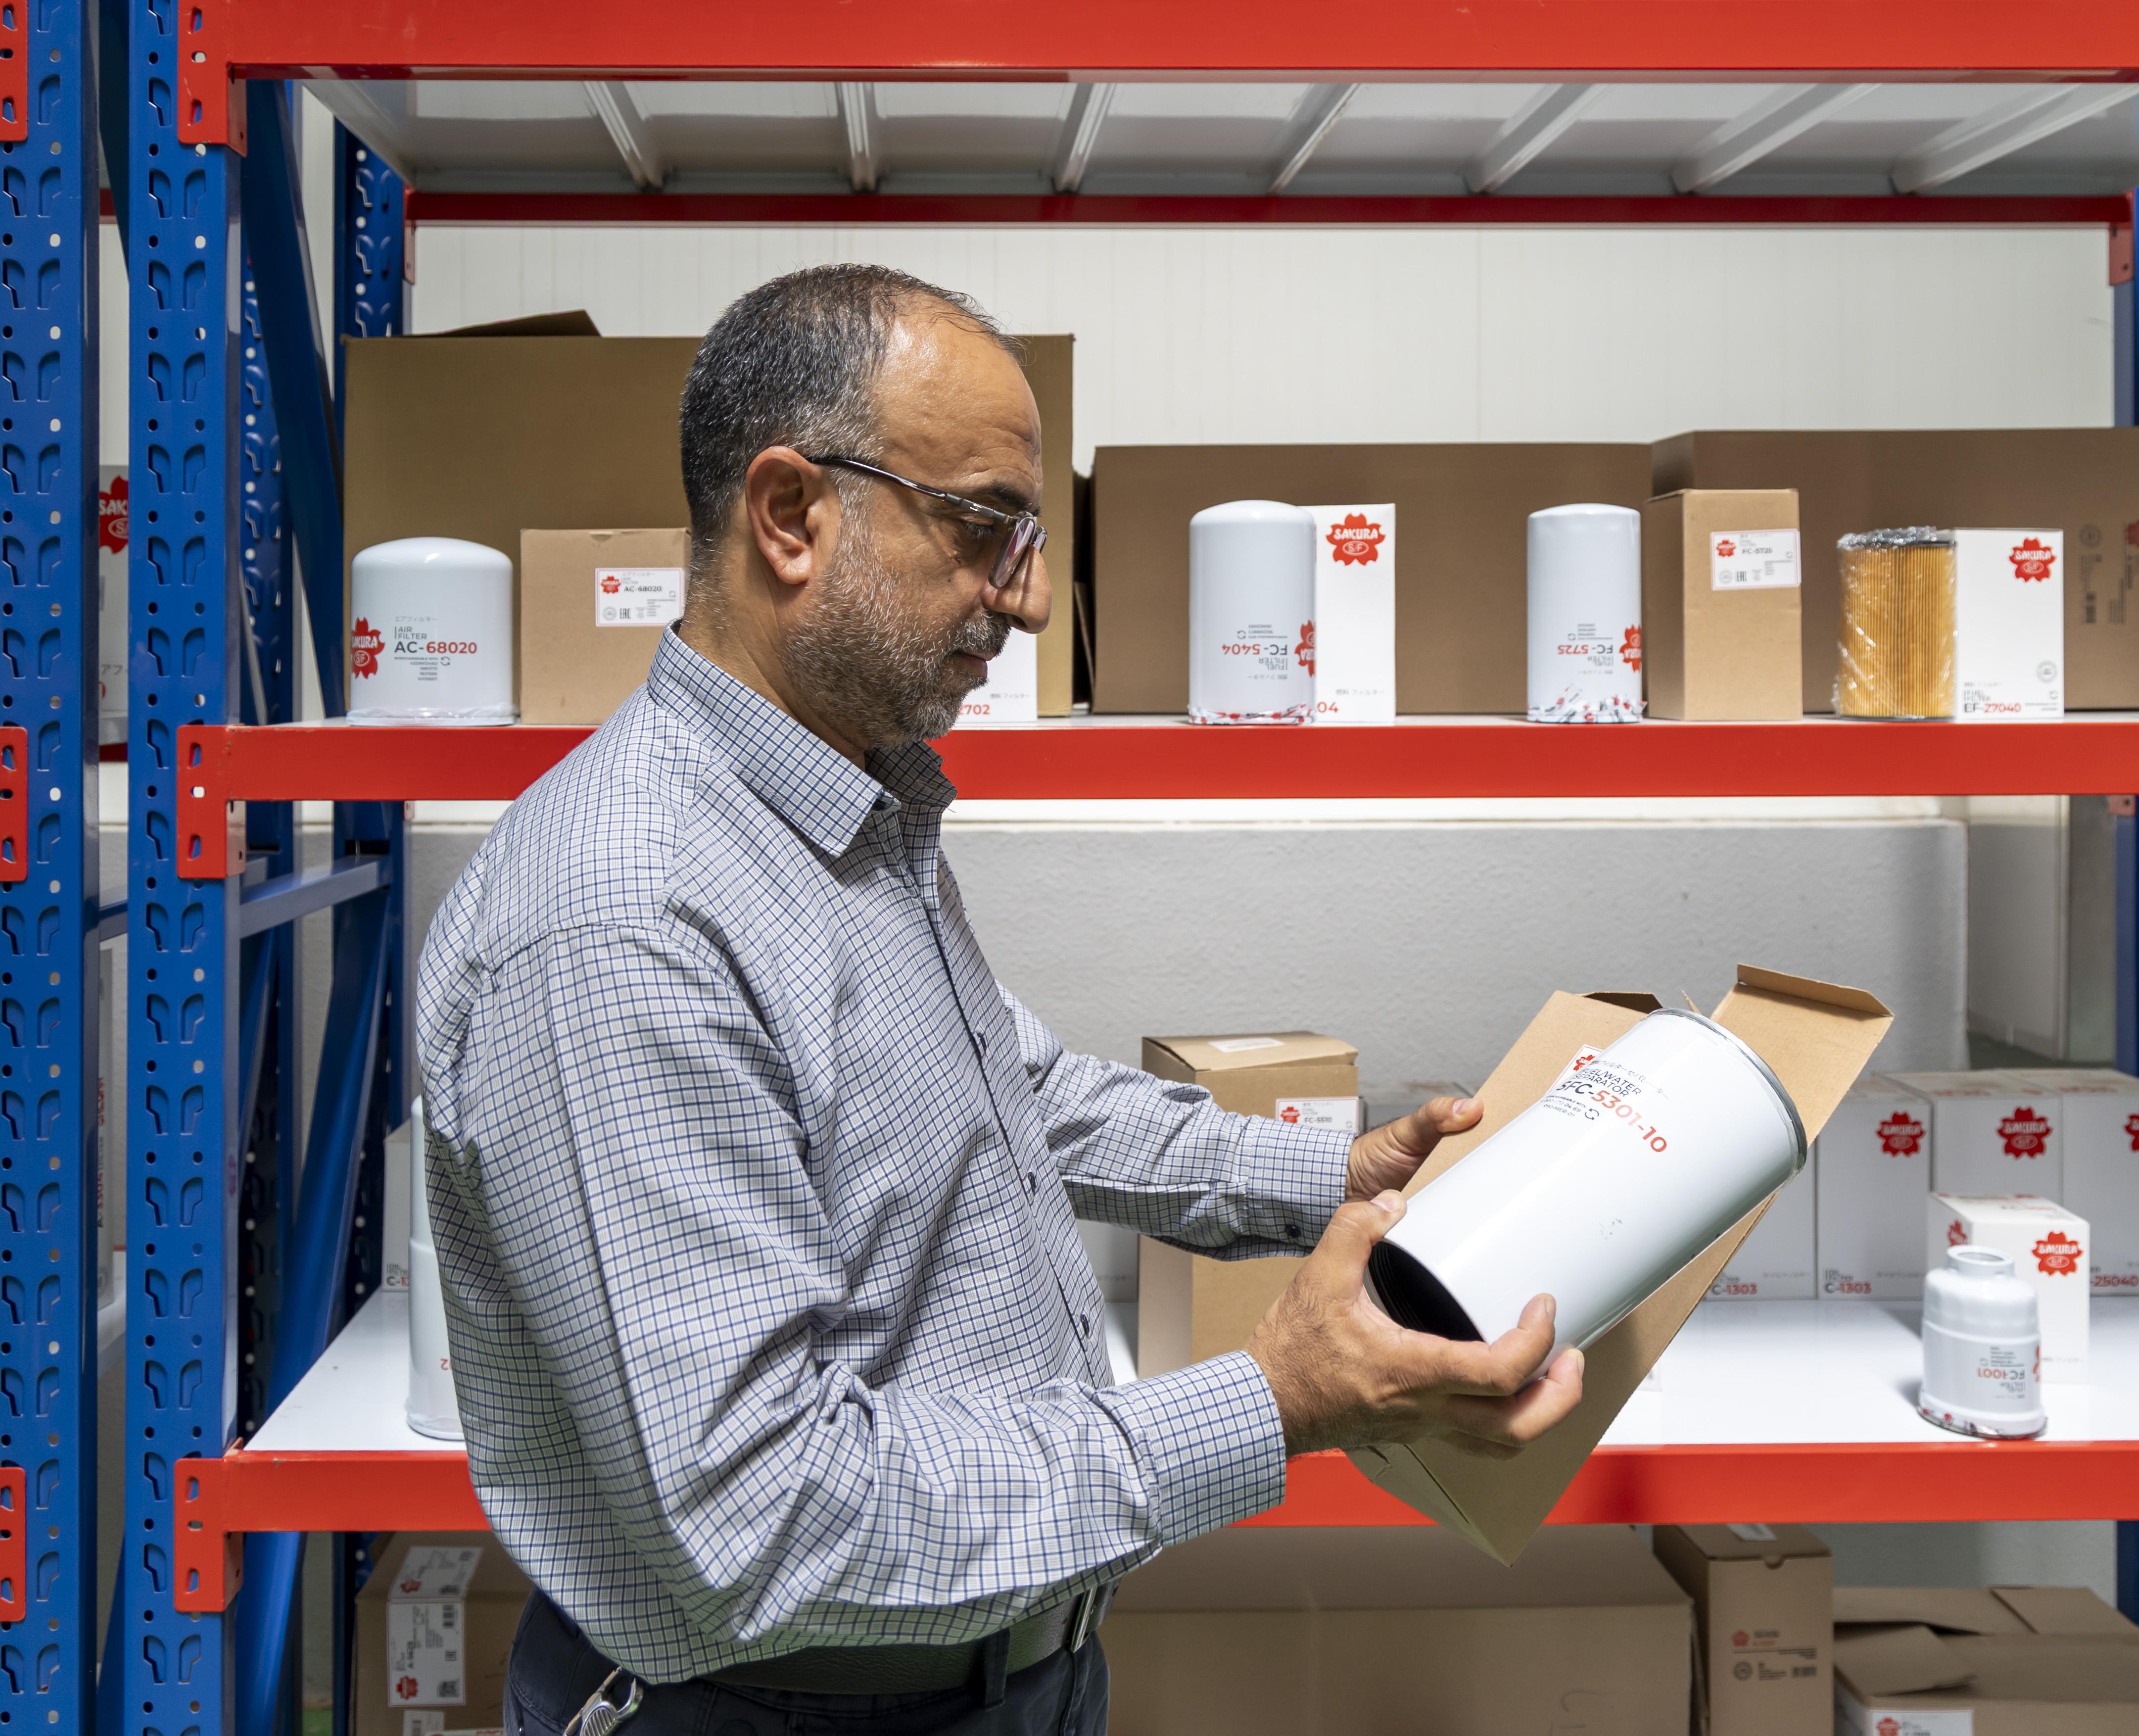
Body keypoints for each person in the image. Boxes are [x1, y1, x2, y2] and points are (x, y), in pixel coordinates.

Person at [414, 263, 1585, 1736]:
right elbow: (769, 1519)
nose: (1027, 599)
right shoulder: (621, 921)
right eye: (983, 529)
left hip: (1007, 1673)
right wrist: (1274, 1397)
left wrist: (1325, 1177)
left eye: (1030, 540)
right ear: (791, 515)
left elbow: (1009, 1089)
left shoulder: (842, 808)